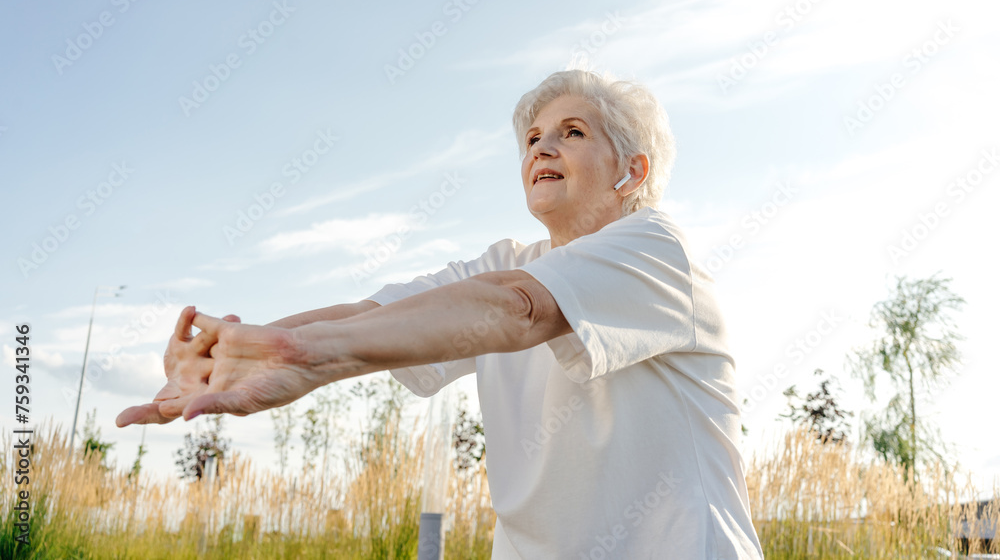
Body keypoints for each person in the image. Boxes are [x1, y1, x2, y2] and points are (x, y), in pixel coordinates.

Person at [117, 69, 764, 559]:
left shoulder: (655, 248)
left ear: (632, 171)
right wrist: (248, 349)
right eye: (532, 138)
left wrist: (308, 357)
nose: (542, 148)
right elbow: (377, 310)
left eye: (573, 132)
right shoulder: (507, 259)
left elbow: (517, 310)